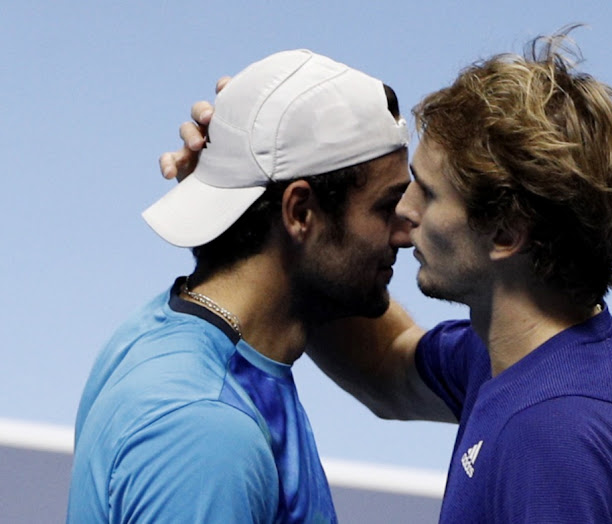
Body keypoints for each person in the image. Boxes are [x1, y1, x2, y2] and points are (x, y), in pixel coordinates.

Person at [165, 29, 612, 523]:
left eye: (428, 194)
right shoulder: (528, 356)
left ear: (505, 233)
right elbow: (385, 365)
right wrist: (251, 196)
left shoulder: (555, 438)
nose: (402, 213)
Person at [67, 49, 417, 523]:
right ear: (299, 212)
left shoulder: (160, 327)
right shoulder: (205, 431)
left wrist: (230, 190)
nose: (407, 230)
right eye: (386, 205)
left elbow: (388, 355)